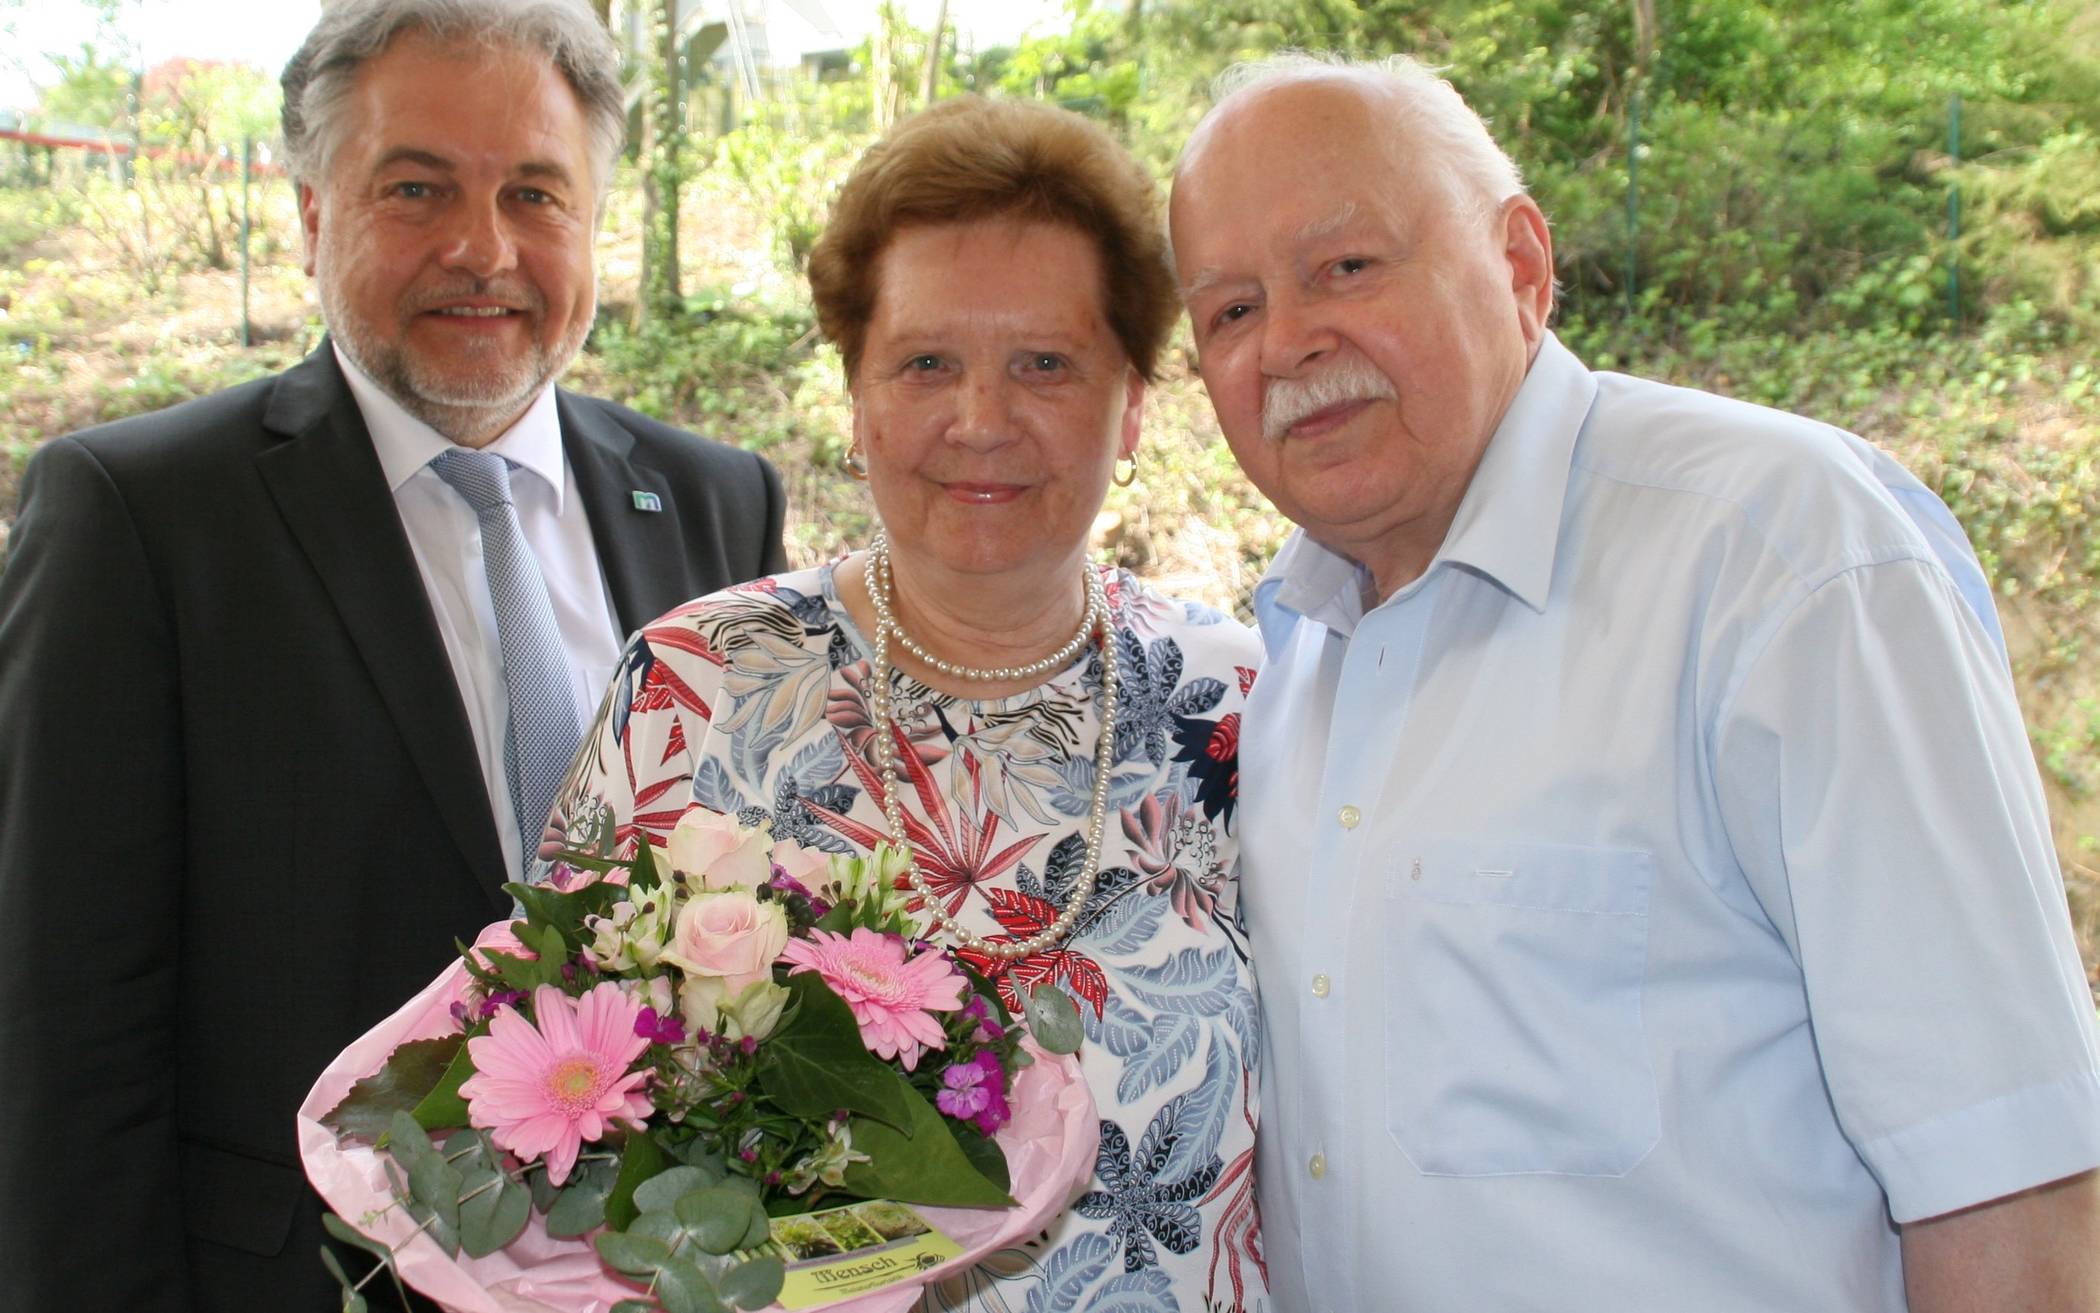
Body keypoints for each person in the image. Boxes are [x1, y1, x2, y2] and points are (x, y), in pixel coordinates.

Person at [1168, 53, 2100, 1313]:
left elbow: (2010, 1173)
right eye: (1230, 310)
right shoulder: (1288, 662)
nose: (1287, 341)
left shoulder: (1784, 560)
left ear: (1522, 268)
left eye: (1348, 267)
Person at [0, 0, 786, 1307]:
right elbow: (58, 1039)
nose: (483, 251)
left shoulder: (716, 502)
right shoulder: (139, 519)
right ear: (311, 211)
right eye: (416, 188)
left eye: (536, 193)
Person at [547, 95, 1270, 1312]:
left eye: (1046, 363)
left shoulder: (1245, 706)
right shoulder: (693, 684)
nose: (981, 422)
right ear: (855, 395)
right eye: (927, 361)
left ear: (1133, 403)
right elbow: (554, 1110)